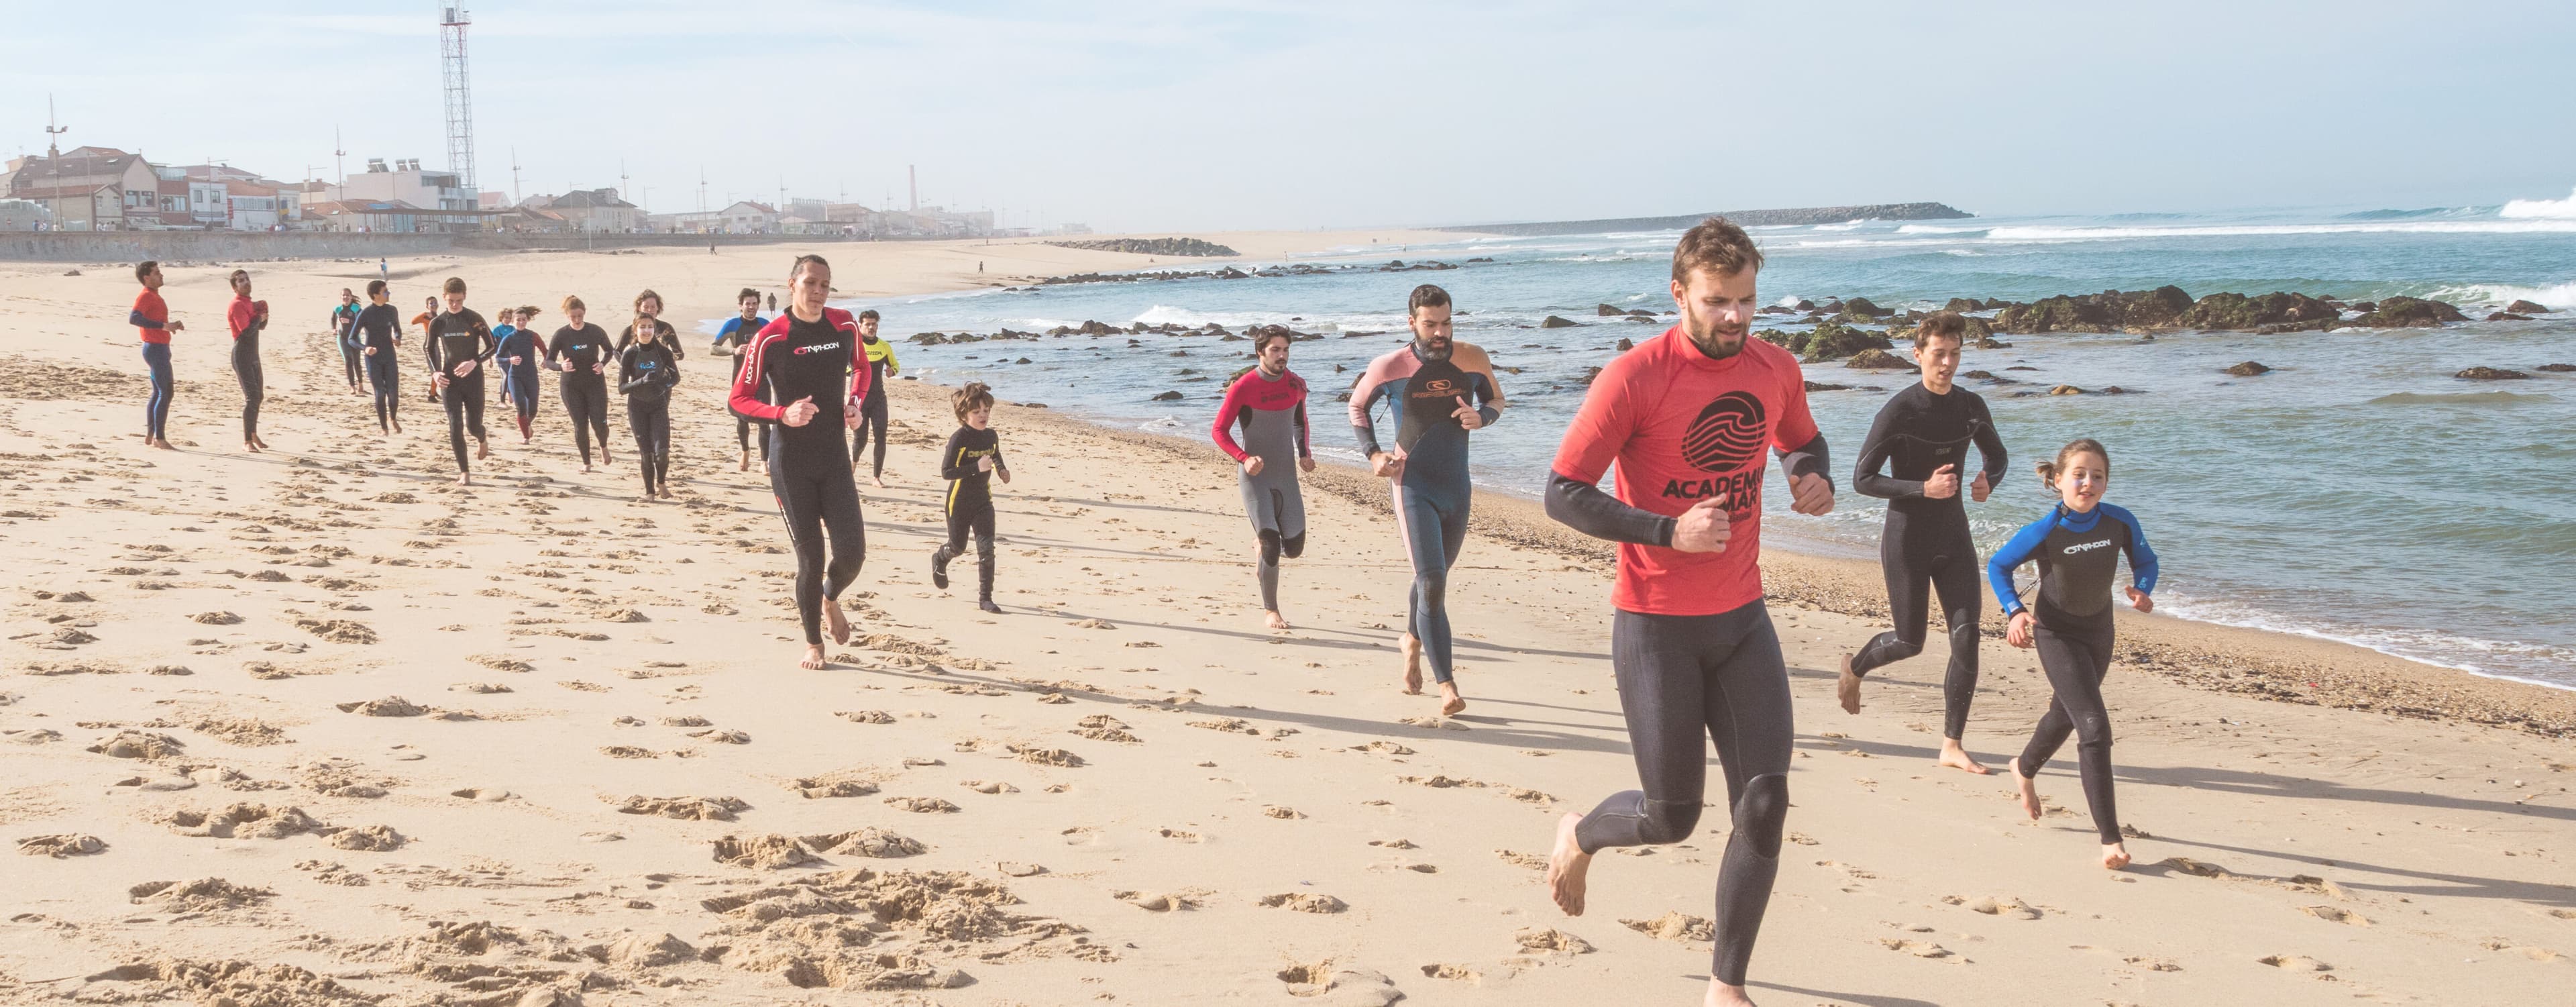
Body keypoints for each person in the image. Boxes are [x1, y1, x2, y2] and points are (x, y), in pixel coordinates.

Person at [1540, 217, 1835, 1007]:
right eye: (1717, 302)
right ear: (1679, 296)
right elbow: (1562, 492)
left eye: (1746, 301)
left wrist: (1811, 476)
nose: (1734, 318)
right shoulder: (1636, 377)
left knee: (1765, 803)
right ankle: (1581, 832)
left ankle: (1724, 985)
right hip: (1655, 624)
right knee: (1672, 815)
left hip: (1743, 619)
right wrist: (1667, 531)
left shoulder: (1775, 368)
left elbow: (1802, 440)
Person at [1835, 311, 2007, 774]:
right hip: (1907, 536)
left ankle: (1951, 744)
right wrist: (1921, 488)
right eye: (1938, 354)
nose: (1947, 363)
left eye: (1954, 354)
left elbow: (1998, 455)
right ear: (1918, 355)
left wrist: (1987, 480)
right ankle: (1856, 667)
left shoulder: (1971, 406)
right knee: (1911, 641)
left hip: (1953, 535)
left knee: (1967, 637)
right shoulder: (1899, 411)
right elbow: (1862, 479)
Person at [1991, 438, 2157, 871]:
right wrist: (2014, 612)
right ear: (2059, 480)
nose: (2088, 482)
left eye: (2097, 475)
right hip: (2056, 632)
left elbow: (2147, 561)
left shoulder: (2120, 522)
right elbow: (1998, 566)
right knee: (2093, 726)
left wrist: (2143, 590)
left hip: (2099, 631)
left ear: (2106, 483)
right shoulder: (2046, 530)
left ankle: (2023, 768)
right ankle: (2110, 840)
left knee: (2065, 714)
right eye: (2079, 474)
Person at [1349, 284, 1503, 715]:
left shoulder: (1473, 358)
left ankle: (1411, 641)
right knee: (1432, 581)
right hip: (1412, 485)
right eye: (1431, 324)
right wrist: (1374, 454)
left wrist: (1483, 417)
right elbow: (1357, 407)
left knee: (1430, 580)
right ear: (1412, 322)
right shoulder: (1389, 367)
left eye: (1447, 322)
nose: (1440, 332)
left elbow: (1496, 398)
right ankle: (1448, 685)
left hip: (1458, 487)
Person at [727, 254, 871, 669]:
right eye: (811, 283)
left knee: (852, 554)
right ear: (792, 285)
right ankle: (814, 644)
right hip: (790, 464)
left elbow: (861, 368)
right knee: (810, 556)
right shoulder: (772, 337)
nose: (819, 292)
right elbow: (738, 399)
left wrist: (855, 404)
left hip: (834, 458)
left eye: (825, 284)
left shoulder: (843, 325)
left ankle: (830, 599)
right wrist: (781, 413)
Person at [1211, 325, 1313, 630]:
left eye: (1285, 350)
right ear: (1260, 352)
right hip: (1254, 477)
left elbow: (1300, 422)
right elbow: (1219, 431)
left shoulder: (1296, 384)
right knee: (1271, 546)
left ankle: (1262, 549)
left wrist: (1305, 452)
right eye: (1275, 350)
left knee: (1293, 549)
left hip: (1286, 476)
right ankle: (1272, 611)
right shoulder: (1243, 387)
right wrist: (1244, 458)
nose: (1282, 356)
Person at [932, 382, 1008, 614]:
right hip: (959, 502)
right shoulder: (959, 439)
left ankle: (986, 599)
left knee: (987, 550)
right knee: (958, 546)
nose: (983, 415)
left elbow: (995, 454)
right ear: (964, 415)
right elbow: (947, 472)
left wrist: (1002, 469)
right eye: (977, 412)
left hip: (983, 502)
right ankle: (940, 559)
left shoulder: (991, 435)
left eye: (986, 411)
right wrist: (976, 467)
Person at [425, 277, 496, 486]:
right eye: (450, 301)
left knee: (473, 427)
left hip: (473, 379)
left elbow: (492, 346)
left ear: (464, 296)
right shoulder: (439, 322)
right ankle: (464, 471)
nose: (455, 305)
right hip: (449, 380)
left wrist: (475, 362)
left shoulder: (474, 319)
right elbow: (428, 349)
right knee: (455, 425)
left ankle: (482, 437)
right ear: (444, 298)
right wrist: (435, 373)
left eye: (458, 301)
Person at [618, 305, 681, 500]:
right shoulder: (630, 354)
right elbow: (622, 388)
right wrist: (641, 381)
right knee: (646, 454)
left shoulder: (663, 352)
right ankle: (649, 493)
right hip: (637, 407)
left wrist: (664, 386)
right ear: (635, 330)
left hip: (658, 405)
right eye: (642, 327)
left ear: (654, 329)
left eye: (650, 327)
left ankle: (661, 483)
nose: (646, 331)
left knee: (662, 452)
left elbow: (676, 377)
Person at [546, 296, 613, 472]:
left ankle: (603, 444)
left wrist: (602, 364)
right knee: (580, 424)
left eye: (580, 316)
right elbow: (549, 361)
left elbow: (609, 350)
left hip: (595, 383)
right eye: (573, 317)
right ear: (567, 315)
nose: (577, 320)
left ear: (584, 313)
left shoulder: (595, 331)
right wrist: (561, 367)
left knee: (599, 423)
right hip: (571, 386)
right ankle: (587, 463)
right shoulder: (561, 335)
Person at [712, 288, 769, 471]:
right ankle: (745, 451)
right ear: (741, 306)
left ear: (758, 306)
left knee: (764, 420)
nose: (751, 307)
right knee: (742, 419)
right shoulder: (733, 325)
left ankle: (764, 462)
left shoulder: (765, 324)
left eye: (754, 304)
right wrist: (734, 351)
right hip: (740, 379)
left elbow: (779, 347)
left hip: (762, 379)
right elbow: (713, 348)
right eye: (748, 304)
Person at [130, 261, 182, 451]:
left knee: (160, 392)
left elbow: (154, 320)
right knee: (166, 392)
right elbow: (134, 318)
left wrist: (170, 325)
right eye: (157, 273)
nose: (161, 275)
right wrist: (162, 326)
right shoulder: (145, 296)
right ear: (147, 278)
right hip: (155, 349)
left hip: (158, 347)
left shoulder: (154, 296)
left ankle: (152, 434)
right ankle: (159, 438)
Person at [850, 308, 900, 485]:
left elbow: (895, 366)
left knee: (881, 436)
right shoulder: (855, 346)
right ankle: (853, 467)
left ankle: (876, 478)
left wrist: (891, 371)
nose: (871, 328)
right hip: (859, 400)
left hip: (878, 398)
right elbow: (845, 368)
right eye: (867, 325)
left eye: (874, 324)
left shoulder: (884, 347)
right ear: (860, 326)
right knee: (860, 439)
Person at [349, 280, 405, 434]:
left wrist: (398, 338)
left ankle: (393, 418)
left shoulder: (392, 310)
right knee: (380, 392)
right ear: (376, 295)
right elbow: (351, 339)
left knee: (393, 392)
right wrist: (365, 348)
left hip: (389, 356)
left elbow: (398, 329)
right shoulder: (366, 313)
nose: (388, 294)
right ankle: (384, 428)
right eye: (385, 291)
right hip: (373, 358)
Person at [225, 270, 270, 453]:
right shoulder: (237, 305)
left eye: (247, 279)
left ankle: (253, 433)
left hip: (254, 355)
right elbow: (246, 332)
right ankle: (246, 441)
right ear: (235, 287)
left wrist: (265, 314)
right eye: (241, 281)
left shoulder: (250, 303)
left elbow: (261, 328)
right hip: (242, 355)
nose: (246, 283)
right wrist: (259, 318)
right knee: (252, 398)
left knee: (259, 396)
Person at [494, 306, 547, 441]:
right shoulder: (509, 338)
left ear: (527, 320)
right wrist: (510, 360)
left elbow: (546, 351)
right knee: (521, 407)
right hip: (515, 376)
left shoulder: (533, 336)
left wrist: (545, 360)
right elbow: (498, 357)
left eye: (524, 320)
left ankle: (527, 424)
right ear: (513, 321)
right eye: (518, 320)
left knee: (533, 409)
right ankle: (526, 438)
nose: (521, 323)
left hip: (531, 375)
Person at [330, 288, 364, 395]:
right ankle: (352, 387)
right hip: (343, 338)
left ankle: (361, 385)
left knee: (357, 362)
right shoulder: (338, 309)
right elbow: (333, 319)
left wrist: (350, 321)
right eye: (343, 295)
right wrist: (334, 329)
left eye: (347, 295)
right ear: (341, 297)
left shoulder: (356, 308)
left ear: (351, 296)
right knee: (348, 360)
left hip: (354, 338)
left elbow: (361, 322)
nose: (345, 297)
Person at [412, 296, 442, 405]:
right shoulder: (427, 316)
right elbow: (413, 321)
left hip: (436, 344)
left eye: (435, 303)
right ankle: (432, 395)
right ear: (427, 306)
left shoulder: (438, 317)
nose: (434, 305)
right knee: (435, 369)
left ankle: (433, 391)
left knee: (438, 368)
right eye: (431, 303)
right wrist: (424, 315)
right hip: (429, 344)